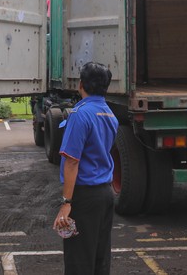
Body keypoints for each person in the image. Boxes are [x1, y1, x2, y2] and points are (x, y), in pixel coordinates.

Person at [53, 62, 119, 275]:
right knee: (100, 258)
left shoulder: (80, 114)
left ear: (81, 84)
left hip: (85, 196)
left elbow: (72, 161)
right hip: (105, 193)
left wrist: (66, 203)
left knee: (79, 260)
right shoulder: (109, 114)